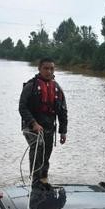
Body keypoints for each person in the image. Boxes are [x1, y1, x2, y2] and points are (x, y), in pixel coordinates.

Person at [19, 57, 68, 188]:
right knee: (38, 146)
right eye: (46, 68)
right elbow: (22, 107)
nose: (49, 71)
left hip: (48, 127)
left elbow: (63, 111)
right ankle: (35, 182)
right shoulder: (31, 86)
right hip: (31, 126)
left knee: (47, 151)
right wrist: (34, 123)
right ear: (39, 69)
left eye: (51, 68)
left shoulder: (57, 88)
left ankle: (44, 178)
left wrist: (63, 131)